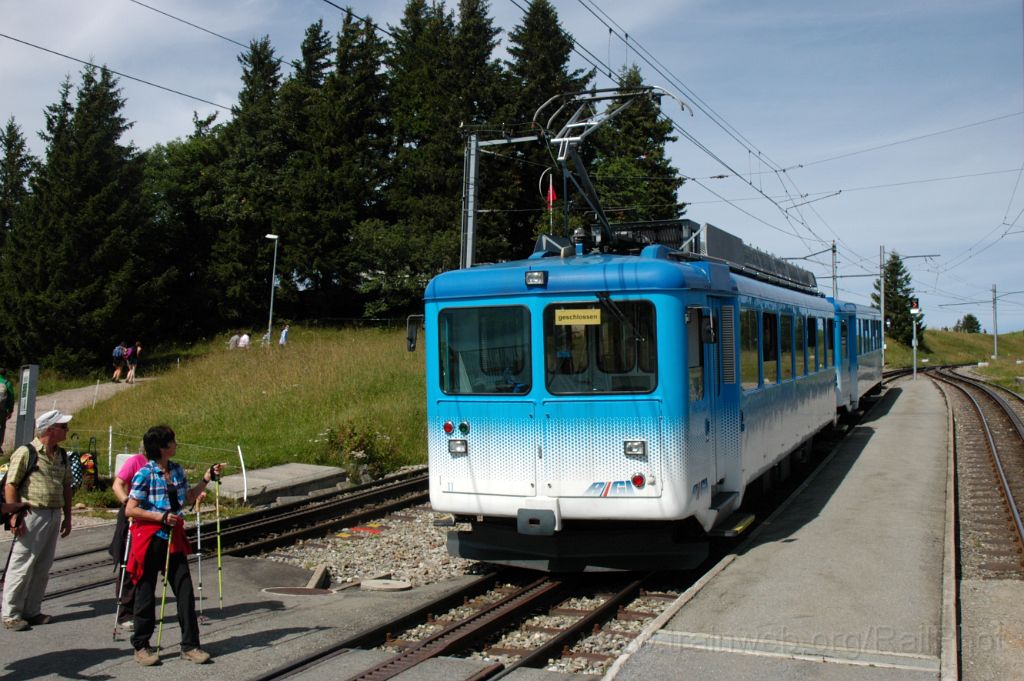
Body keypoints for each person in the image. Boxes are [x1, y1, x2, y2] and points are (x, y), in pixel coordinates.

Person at [125, 425, 222, 666]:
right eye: (172, 441)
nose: (176, 444)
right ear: (162, 447)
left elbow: (187, 498)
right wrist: (159, 517)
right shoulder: (145, 473)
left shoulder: (177, 470)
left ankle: (190, 645)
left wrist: (206, 478)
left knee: (185, 590)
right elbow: (130, 509)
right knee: (146, 592)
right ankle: (141, 645)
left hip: (173, 536)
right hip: (151, 537)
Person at [2, 409, 73, 631]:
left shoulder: (62, 455)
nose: (67, 430)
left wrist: (68, 516)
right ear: (50, 429)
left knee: (43, 566)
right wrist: (14, 515)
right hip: (31, 513)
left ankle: (32, 610)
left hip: (53, 513)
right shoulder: (26, 452)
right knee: (22, 564)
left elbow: (67, 486)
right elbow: (11, 485)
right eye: (63, 426)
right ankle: (11, 614)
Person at [110, 449, 149, 629]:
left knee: (146, 565)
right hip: (132, 516)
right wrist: (127, 503)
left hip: (150, 518)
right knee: (129, 563)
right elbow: (117, 485)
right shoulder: (136, 461)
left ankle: (141, 610)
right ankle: (125, 613)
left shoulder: (162, 464)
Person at [0, 369, 14, 456]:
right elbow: (11, 397)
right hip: (2, 409)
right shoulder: (7, 383)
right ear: (5, 374)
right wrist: (10, 410)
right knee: (2, 426)